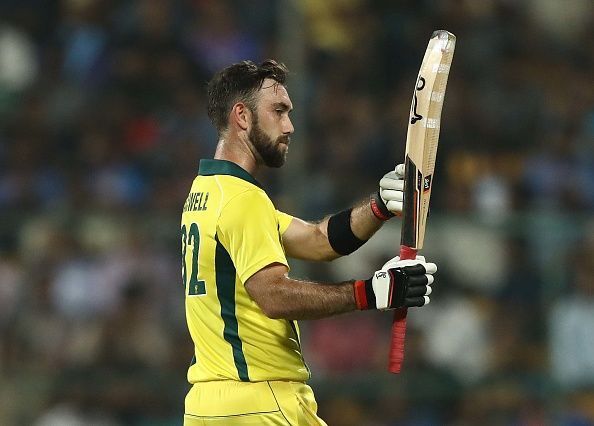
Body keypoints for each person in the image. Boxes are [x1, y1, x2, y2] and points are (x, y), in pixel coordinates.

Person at [181, 59, 437, 425]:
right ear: (242, 116)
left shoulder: (205, 191)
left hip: (209, 407)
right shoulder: (243, 199)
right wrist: (370, 294)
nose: (289, 126)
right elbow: (272, 295)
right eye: (279, 111)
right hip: (260, 403)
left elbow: (318, 240)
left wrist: (379, 206)